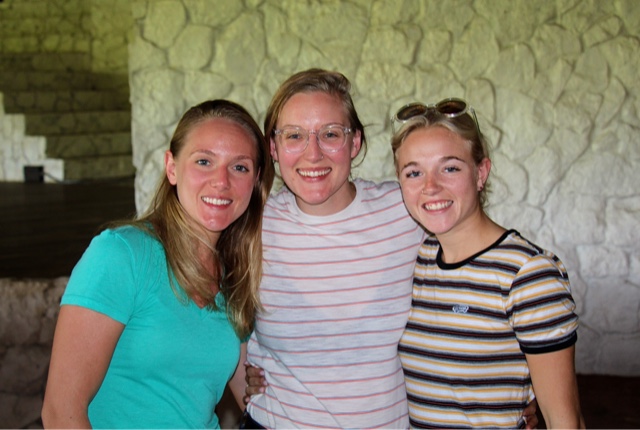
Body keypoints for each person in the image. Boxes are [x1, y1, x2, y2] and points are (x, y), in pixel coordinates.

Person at [241, 69, 538, 429]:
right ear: (273, 148)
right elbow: (211, 310)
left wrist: (527, 385)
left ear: (355, 143)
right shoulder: (251, 226)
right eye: (294, 135)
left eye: (331, 134)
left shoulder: (407, 209)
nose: (313, 153)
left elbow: (485, 268)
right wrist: (241, 375)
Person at [41, 99, 274, 429]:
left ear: (256, 180)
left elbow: (252, 394)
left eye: (240, 167)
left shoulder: (236, 274)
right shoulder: (122, 254)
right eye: (204, 161)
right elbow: (60, 412)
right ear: (172, 168)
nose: (221, 181)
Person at [390, 98, 585, 428]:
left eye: (450, 168)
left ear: (480, 173)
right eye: (414, 172)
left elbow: (565, 420)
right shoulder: (417, 260)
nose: (430, 187)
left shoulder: (527, 274)